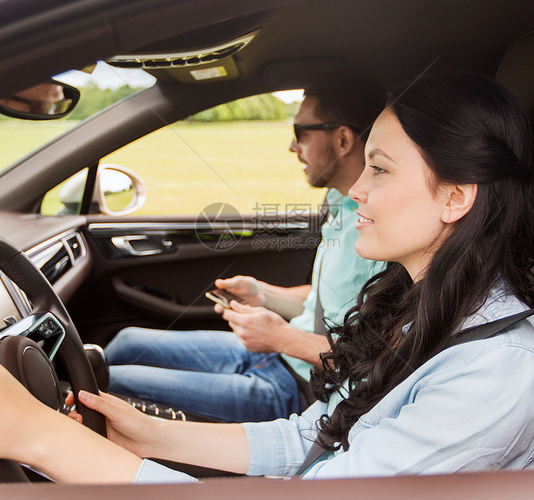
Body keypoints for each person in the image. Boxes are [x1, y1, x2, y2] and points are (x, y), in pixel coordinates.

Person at [0, 73, 534, 483]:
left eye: (382, 169)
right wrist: (152, 433)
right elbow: (318, 433)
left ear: (456, 197)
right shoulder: (430, 309)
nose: (357, 189)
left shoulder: (497, 371)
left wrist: (38, 436)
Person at [102, 70, 386, 422]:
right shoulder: (341, 203)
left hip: (301, 389)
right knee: (128, 341)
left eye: (300, 133)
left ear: (343, 140)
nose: (292, 147)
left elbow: (377, 356)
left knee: (106, 382)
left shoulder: (382, 229)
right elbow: (333, 299)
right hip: (278, 355)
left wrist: (281, 337)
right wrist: (263, 294)